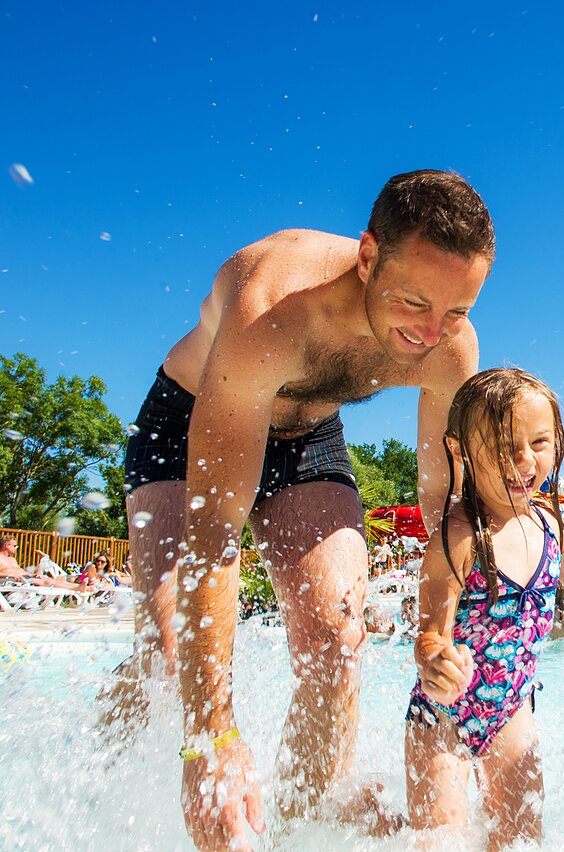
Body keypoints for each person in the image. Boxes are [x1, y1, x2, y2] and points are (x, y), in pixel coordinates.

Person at [112, 170, 495, 848]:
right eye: (414, 302)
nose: (432, 332)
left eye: (457, 310)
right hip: (187, 425)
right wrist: (213, 735)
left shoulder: (448, 350)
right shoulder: (271, 304)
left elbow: (442, 506)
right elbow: (212, 530)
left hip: (307, 438)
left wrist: (436, 633)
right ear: (369, 256)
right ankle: (108, 761)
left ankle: (298, 824)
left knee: (338, 645)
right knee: (168, 657)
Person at [405, 368, 564, 848]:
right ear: (462, 451)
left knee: (521, 841)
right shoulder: (460, 535)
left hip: (510, 713)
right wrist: (435, 659)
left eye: (540, 442)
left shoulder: (546, 523)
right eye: (505, 446)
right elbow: (431, 631)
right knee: (437, 840)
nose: (525, 460)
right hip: (442, 718)